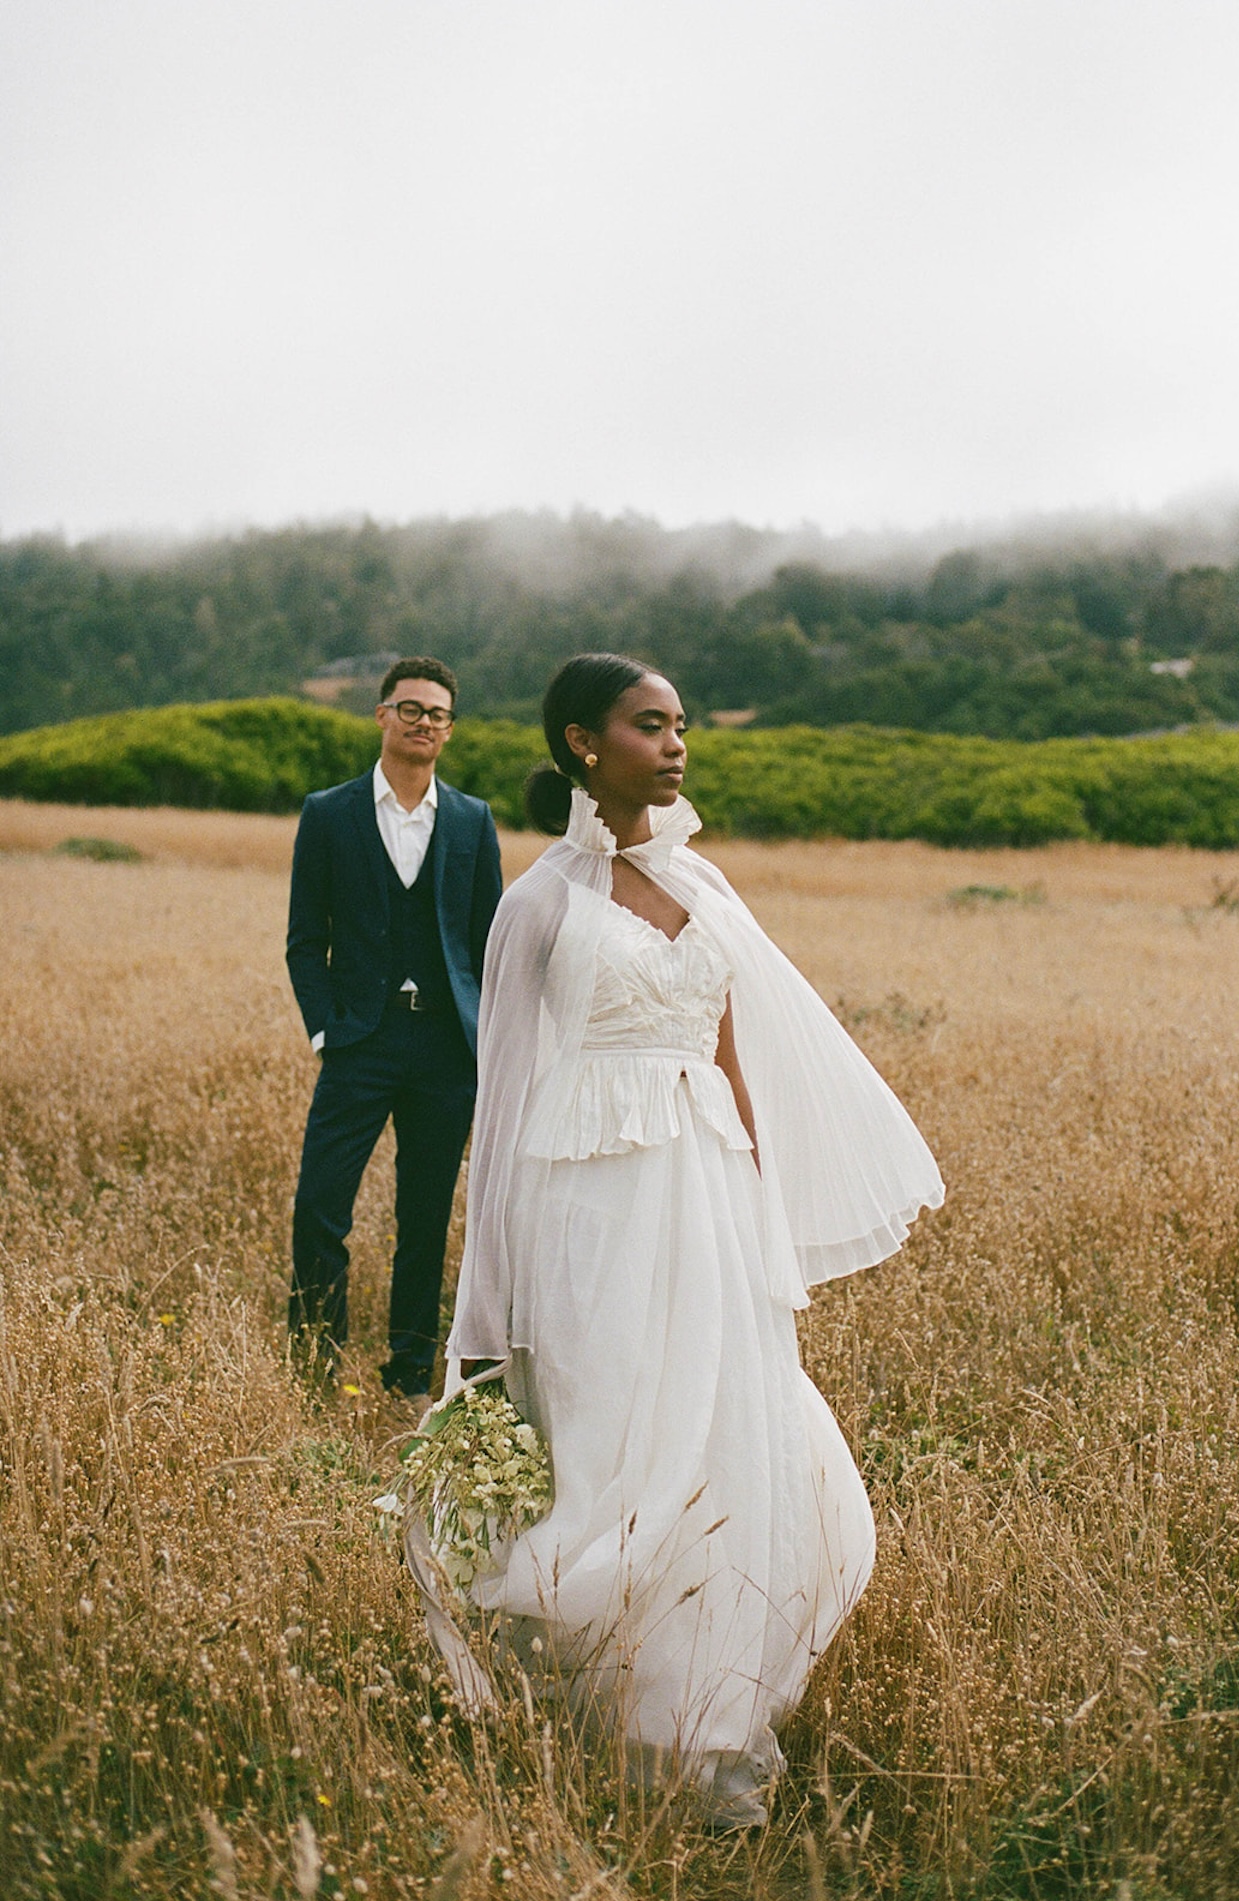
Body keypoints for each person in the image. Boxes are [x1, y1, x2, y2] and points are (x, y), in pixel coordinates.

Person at [427, 652, 943, 1827]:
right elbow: (499, 1106)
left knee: (729, 1437)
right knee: (618, 1445)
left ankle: (703, 1720)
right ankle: (600, 1706)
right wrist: (486, 1310)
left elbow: (731, 1056)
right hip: (590, 1210)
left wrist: (761, 1214)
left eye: (679, 724)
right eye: (647, 725)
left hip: (706, 1192)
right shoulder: (539, 905)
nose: (674, 744)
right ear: (580, 744)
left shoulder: (706, 888)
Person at [286, 656, 502, 1414]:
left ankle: (410, 1371)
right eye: (410, 709)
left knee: (424, 1216)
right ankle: (313, 1366)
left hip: (446, 1051)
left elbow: (487, 944)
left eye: (438, 714)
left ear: (449, 729)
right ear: (381, 715)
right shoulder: (329, 813)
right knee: (320, 1207)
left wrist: (485, 1037)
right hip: (358, 1044)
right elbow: (304, 940)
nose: (423, 724)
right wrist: (325, 1033)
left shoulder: (474, 820)